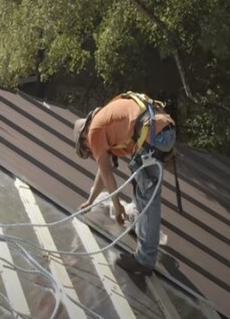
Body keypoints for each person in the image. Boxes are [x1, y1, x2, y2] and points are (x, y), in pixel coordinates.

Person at [73, 92, 176, 275]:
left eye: (87, 150)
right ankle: (141, 229)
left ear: (83, 138)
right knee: (142, 192)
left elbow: (107, 175)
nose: (91, 152)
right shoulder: (106, 120)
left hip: (152, 135)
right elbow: (103, 173)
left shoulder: (94, 132)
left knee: (147, 199)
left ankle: (144, 261)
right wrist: (91, 201)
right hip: (162, 131)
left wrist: (117, 207)